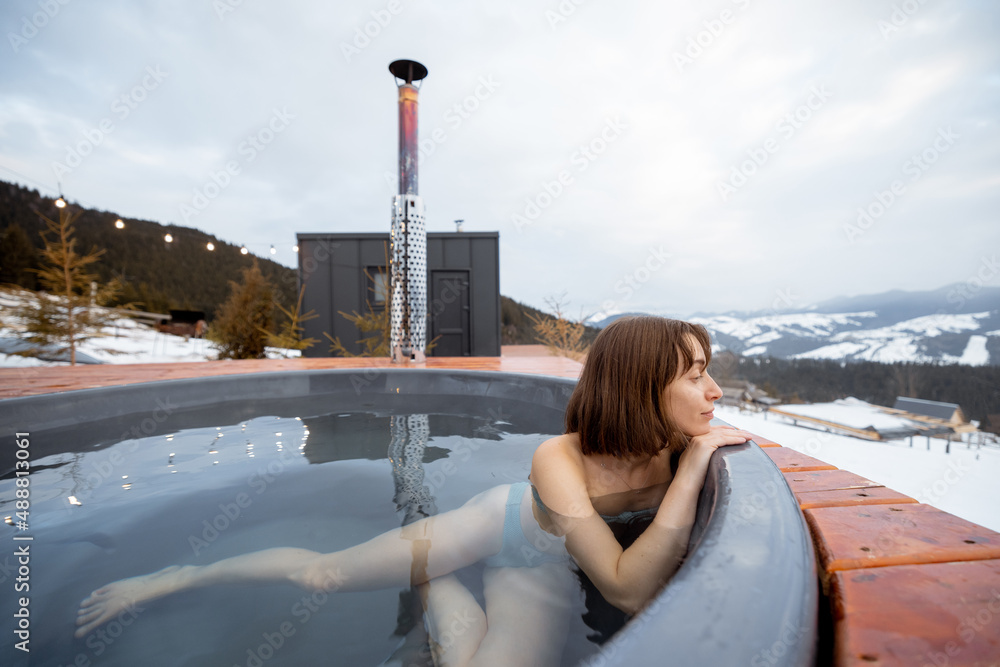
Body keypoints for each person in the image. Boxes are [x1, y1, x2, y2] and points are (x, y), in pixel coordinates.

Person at [75, 316, 752, 665]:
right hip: (510, 531)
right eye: (696, 375)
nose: (714, 391)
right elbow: (627, 587)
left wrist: (689, 462)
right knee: (323, 575)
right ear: (640, 384)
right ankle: (174, 576)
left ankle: (435, 584)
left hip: (551, 572)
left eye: (708, 373)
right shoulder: (559, 457)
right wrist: (691, 471)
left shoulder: (679, 447)